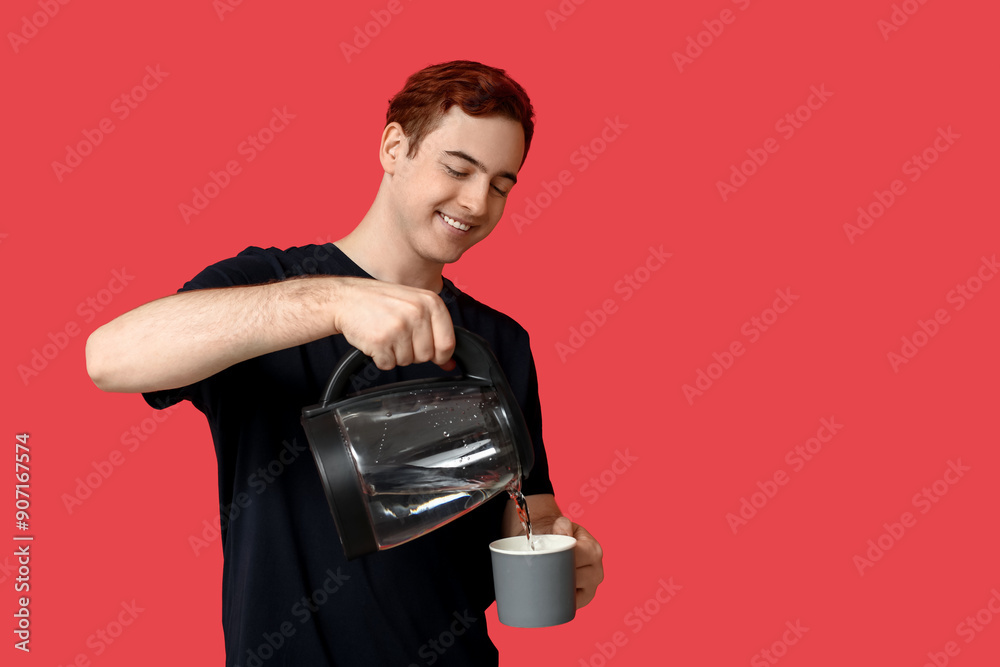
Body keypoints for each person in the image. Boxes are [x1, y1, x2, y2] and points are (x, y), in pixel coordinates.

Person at [86, 60, 603, 665]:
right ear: (393, 146)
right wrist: (334, 300)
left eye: (500, 185)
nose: (476, 202)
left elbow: (526, 507)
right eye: (457, 168)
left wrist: (560, 547)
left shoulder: (499, 344)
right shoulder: (269, 286)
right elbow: (110, 357)